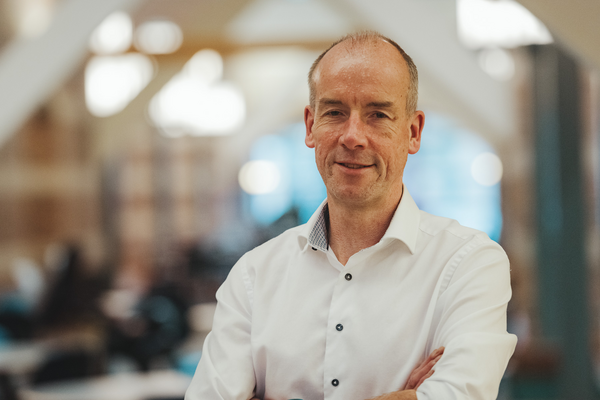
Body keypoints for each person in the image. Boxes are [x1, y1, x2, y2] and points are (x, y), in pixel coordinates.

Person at [185, 31, 517, 400]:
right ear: (310, 126)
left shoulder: (468, 264)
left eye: (378, 115)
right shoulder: (253, 276)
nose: (353, 137)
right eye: (335, 113)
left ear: (413, 132)